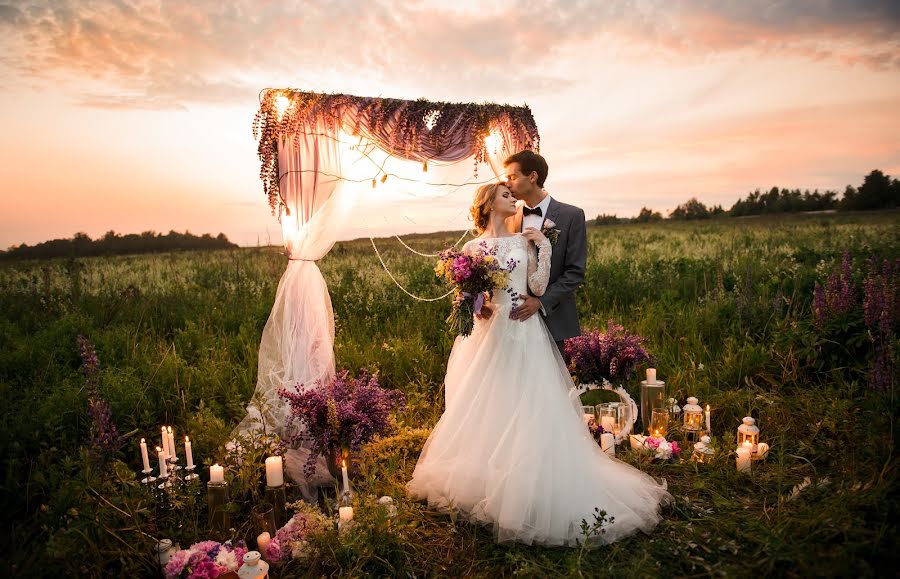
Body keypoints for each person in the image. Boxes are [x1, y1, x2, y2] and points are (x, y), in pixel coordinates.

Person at [406, 182, 669, 547]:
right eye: (506, 195)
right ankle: (485, 476)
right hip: (487, 336)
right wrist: (475, 305)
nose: (514, 199)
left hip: (523, 331)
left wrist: (543, 247)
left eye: (513, 194)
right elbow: (466, 297)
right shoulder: (469, 248)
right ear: (488, 204)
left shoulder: (524, 241)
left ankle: (525, 481)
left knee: (528, 403)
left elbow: (538, 286)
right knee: (487, 402)